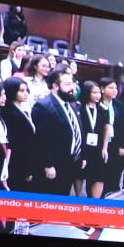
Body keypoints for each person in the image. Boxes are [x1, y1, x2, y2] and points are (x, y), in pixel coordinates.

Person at [31, 68, 83, 196]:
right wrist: (48, 165)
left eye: (72, 84)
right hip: (54, 165)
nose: (72, 88)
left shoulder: (70, 104)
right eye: (68, 84)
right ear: (55, 86)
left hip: (70, 163)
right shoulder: (44, 106)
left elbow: (76, 130)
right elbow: (42, 140)